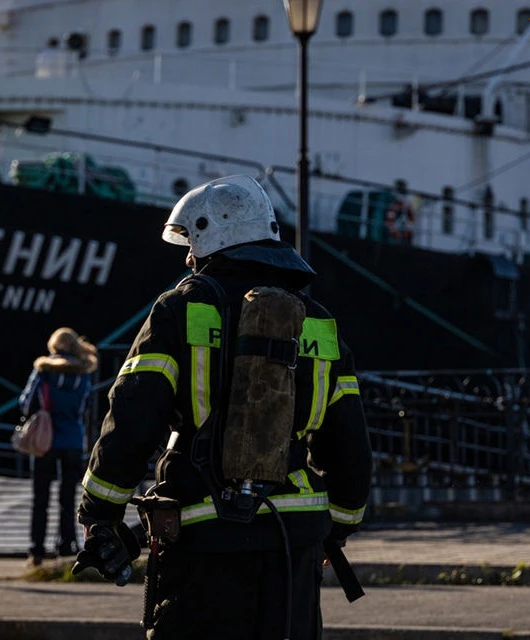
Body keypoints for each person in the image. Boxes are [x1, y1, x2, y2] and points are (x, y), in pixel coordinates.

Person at [75, 174, 373, 639]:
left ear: (213, 235)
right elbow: (349, 446)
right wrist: (338, 526)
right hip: (294, 545)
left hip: (203, 544)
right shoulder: (317, 322)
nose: (188, 256)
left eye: (190, 243)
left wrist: (100, 513)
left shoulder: (181, 309)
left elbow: (133, 417)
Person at [20, 327, 98, 567]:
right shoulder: (82, 375)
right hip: (73, 439)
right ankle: (67, 546)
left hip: (46, 440)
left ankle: (37, 550)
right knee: (68, 497)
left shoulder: (43, 371)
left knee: (40, 497)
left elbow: (26, 403)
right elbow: (83, 407)